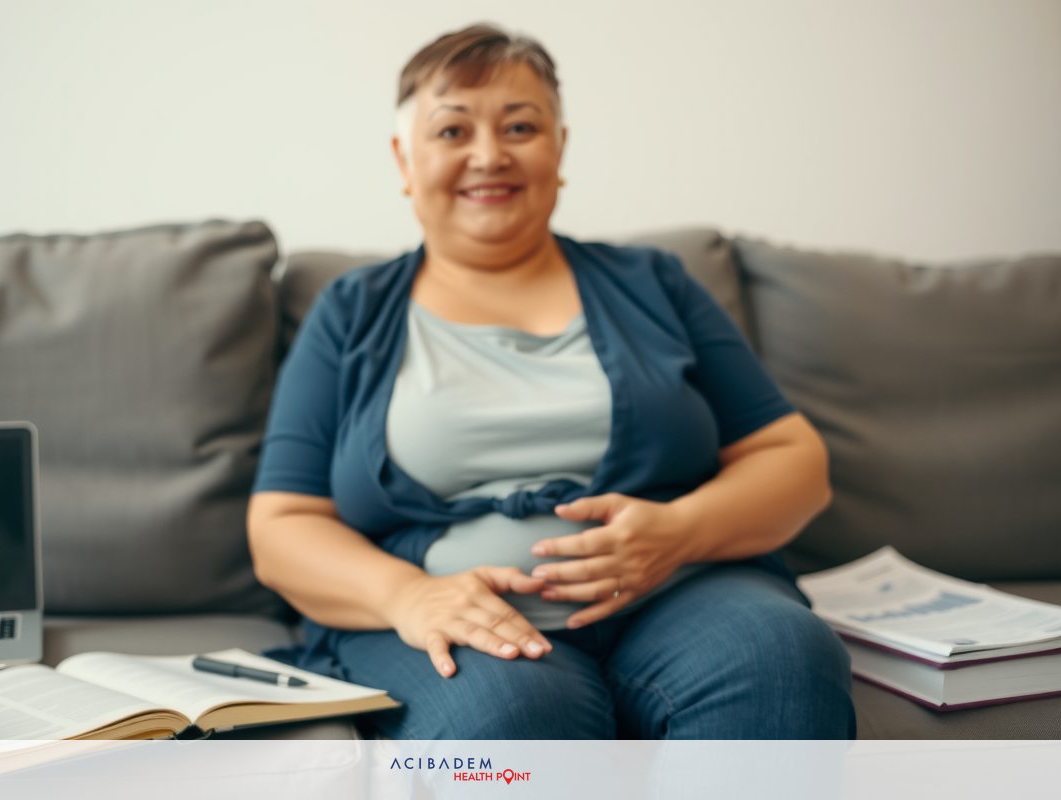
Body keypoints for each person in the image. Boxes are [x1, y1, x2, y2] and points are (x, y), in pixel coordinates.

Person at [248, 24, 855, 739]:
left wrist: (680, 532)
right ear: (403, 160)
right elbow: (282, 526)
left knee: (780, 657)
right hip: (447, 620)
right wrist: (408, 596)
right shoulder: (351, 311)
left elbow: (794, 461)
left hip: (683, 595)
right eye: (452, 130)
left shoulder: (653, 283)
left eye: (520, 126)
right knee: (511, 720)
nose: (488, 155)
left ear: (559, 149)